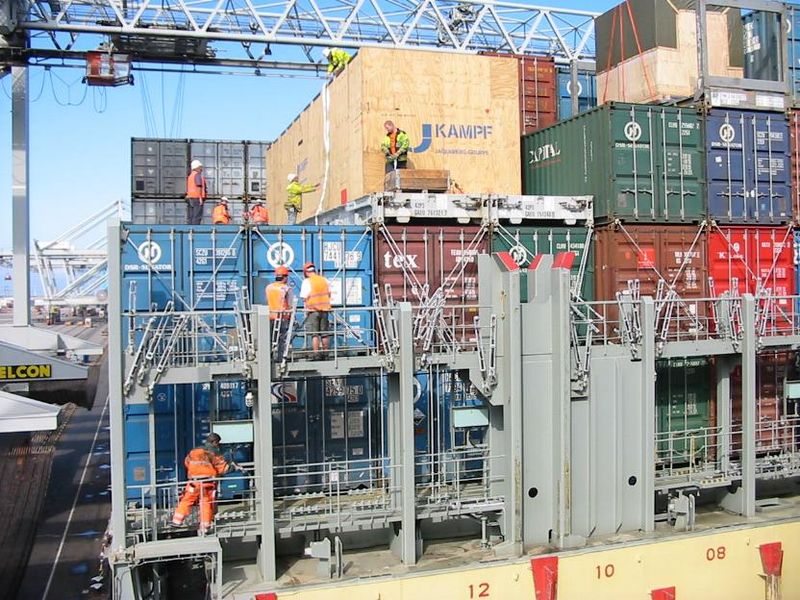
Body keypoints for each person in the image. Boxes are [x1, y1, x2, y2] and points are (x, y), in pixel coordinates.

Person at [171, 432, 239, 535]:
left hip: (194, 482)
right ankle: (205, 527)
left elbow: (187, 463)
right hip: (207, 483)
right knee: (206, 504)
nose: (218, 445)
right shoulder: (214, 453)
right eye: (218, 443)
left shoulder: (194, 452)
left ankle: (177, 521)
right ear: (214, 442)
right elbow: (222, 468)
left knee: (186, 500)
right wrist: (234, 467)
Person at [299, 262, 332, 360]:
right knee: (325, 333)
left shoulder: (307, 281)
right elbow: (329, 293)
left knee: (315, 334)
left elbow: (304, 297)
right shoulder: (324, 280)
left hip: (313, 311)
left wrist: (306, 309)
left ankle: (316, 353)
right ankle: (326, 353)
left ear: (306, 272)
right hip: (325, 310)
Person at [266, 265, 294, 361]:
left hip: (271, 316)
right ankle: (280, 358)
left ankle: (268, 357)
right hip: (282, 317)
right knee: (282, 339)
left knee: (270, 339)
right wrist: (290, 316)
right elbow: (290, 304)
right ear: (285, 277)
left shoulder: (269, 287)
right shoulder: (286, 288)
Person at [186, 159, 207, 225]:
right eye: (200, 167)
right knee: (197, 216)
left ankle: (190, 230)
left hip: (190, 198)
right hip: (197, 198)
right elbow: (199, 186)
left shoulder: (190, 176)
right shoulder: (197, 175)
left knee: (191, 216)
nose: (201, 169)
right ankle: (195, 231)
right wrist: (200, 197)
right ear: (196, 167)